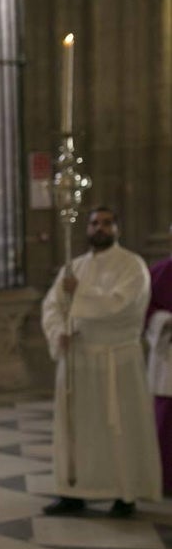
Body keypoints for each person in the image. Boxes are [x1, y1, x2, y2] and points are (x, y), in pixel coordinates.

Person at [40, 207, 163, 516]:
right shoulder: (74, 267)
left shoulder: (132, 266)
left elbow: (121, 305)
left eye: (107, 223)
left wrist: (80, 293)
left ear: (117, 229)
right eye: (94, 223)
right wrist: (59, 332)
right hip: (78, 360)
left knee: (120, 429)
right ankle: (74, 492)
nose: (100, 228)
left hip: (116, 361)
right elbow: (52, 305)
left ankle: (125, 494)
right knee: (77, 429)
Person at [145, 224, 172, 495]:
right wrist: (166, 322)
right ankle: (165, 479)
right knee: (166, 420)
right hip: (169, 354)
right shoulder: (159, 272)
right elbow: (145, 309)